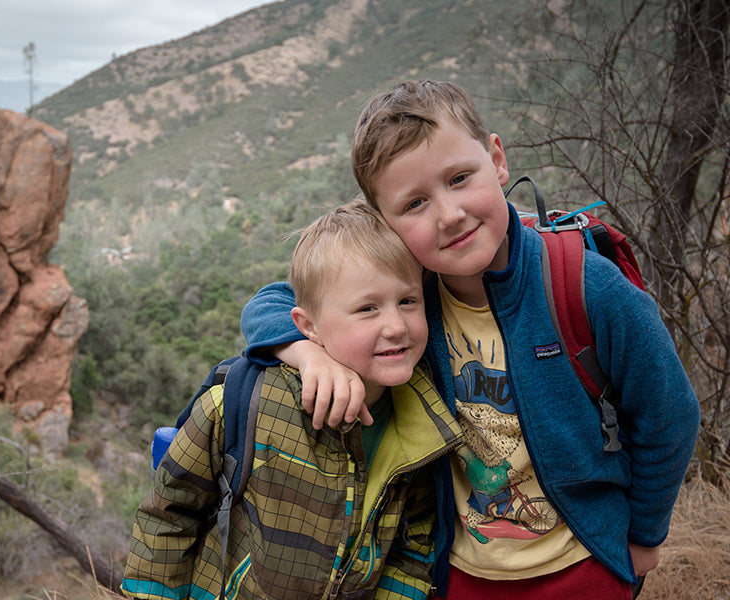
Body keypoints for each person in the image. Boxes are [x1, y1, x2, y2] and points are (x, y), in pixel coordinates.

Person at [239, 80, 699, 599]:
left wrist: (643, 534)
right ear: (384, 225)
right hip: (458, 573)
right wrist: (304, 353)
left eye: (460, 178)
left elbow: (669, 413)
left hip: (584, 561)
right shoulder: (409, 292)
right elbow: (273, 302)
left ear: (497, 160)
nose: (449, 214)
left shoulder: (585, 287)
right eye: (414, 203)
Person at [122, 199, 463, 600]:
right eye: (367, 308)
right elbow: (169, 515)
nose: (396, 326)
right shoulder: (242, 401)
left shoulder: (422, 424)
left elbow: (411, 547)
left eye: (407, 301)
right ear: (307, 326)